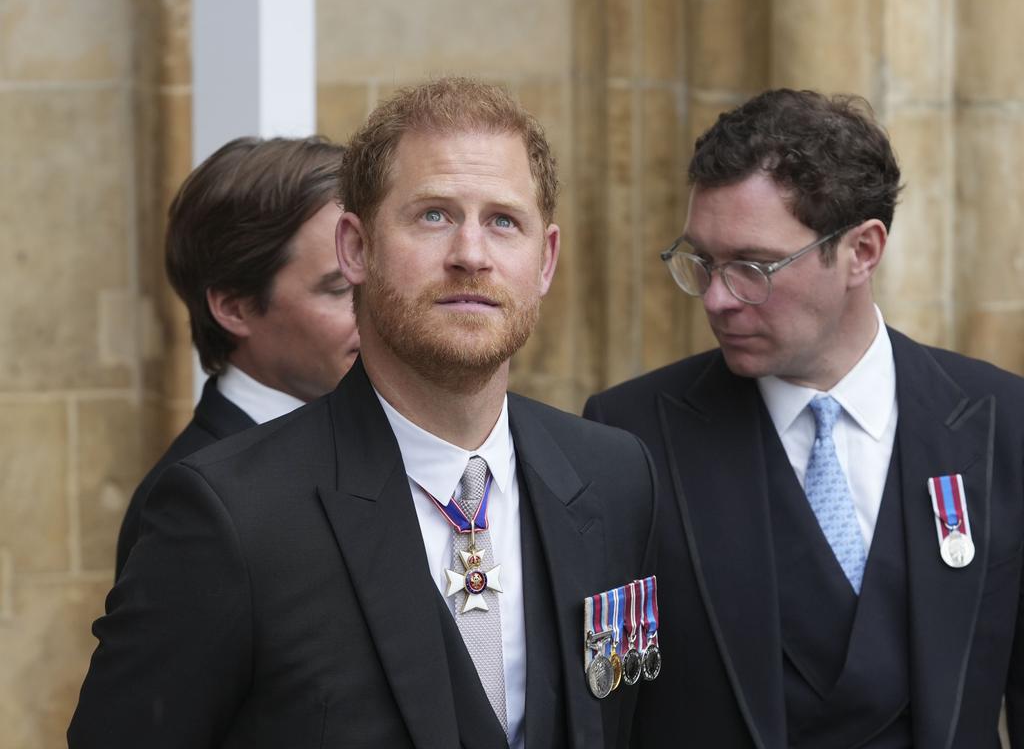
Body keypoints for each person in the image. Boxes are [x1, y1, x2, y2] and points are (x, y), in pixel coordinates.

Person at [70, 77, 656, 749]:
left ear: (545, 260)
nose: (471, 254)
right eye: (433, 215)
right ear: (355, 247)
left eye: (503, 220)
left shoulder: (614, 477)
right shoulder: (231, 515)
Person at [584, 89, 1024, 748]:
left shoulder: (1002, 422)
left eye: (753, 267)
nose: (716, 298)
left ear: (862, 251)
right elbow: (609, 695)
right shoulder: (629, 436)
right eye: (701, 261)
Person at [114, 136, 360, 578]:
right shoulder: (188, 506)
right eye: (339, 289)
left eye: (374, 277)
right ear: (234, 307)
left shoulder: (381, 438)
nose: (376, 313)